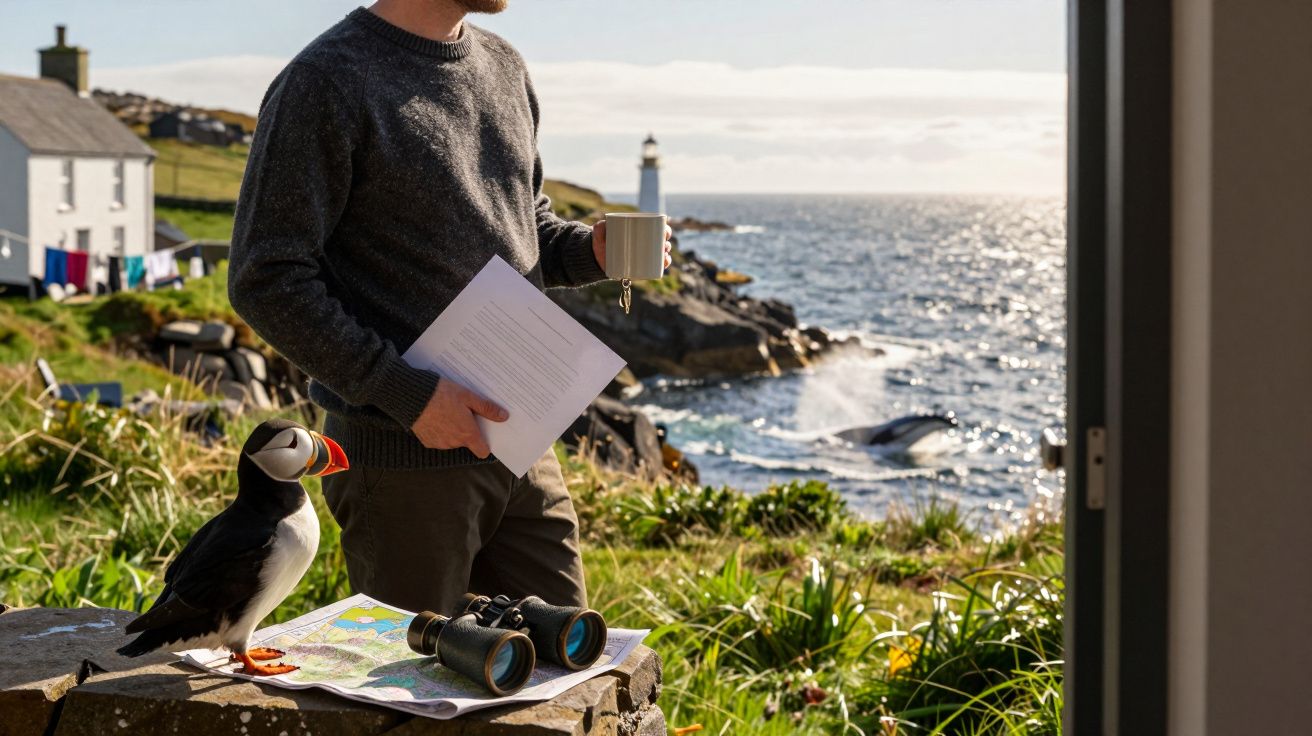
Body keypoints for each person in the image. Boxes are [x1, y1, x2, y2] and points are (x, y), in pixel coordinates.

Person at [227, 0, 672, 615]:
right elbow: (265, 276)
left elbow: (525, 229)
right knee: (415, 693)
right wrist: (409, 394)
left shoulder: (504, 66)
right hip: (403, 459)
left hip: (522, 442)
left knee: (563, 668)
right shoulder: (324, 80)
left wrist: (590, 253)